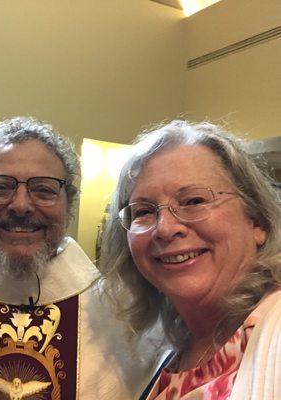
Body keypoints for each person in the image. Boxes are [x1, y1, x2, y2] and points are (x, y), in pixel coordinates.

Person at [0, 117, 160, 399]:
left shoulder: (127, 312)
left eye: (43, 190)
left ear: (68, 204)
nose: (20, 205)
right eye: (0, 187)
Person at [99, 120, 281, 399]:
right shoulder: (164, 349)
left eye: (193, 201)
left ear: (257, 221)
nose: (165, 229)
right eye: (144, 211)